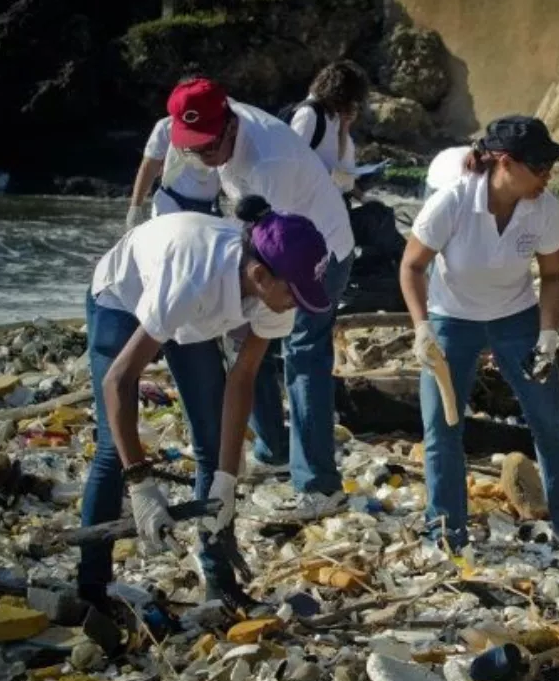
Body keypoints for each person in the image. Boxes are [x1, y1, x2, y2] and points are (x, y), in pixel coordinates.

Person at [79, 195, 330, 610]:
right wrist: (141, 483)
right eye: (295, 293)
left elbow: (242, 378)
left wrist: (227, 480)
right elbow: (118, 381)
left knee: (212, 446)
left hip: (193, 315)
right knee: (112, 448)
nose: (297, 304)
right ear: (260, 275)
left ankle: (219, 580)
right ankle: (92, 588)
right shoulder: (192, 276)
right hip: (124, 294)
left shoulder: (278, 292)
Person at [399, 115, 559, 550]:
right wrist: (422, 328)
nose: (547, 175)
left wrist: (547, 335)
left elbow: (554, 276)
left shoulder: (545, 208)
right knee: (442, 427)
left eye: (549, 166)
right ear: (504, 162)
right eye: (539, 166)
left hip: (516, 318)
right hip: (452, 319)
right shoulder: (454, 201)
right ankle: (446, 531)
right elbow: (411, 265)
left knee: (549, 420)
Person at [165, 77, 355, 510]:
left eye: (210, 147)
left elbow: (270, 248)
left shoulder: (268, 163)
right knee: (249, 345)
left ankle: (319, 487)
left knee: (303, 356)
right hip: (271, 245)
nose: (203, 156)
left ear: (230, 125)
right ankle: (272, 449)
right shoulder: (210, 116)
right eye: (193, 147)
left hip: (317, 252)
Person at [291, 60, 405, 279]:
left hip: (334, 207)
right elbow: (292, 165)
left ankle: (398, 273)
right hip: (315, 217)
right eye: (352, 99)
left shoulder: (333, 118)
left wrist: (344, 129)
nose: (354, 106)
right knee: (379, 223)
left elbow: (341, 166)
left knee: (380, 215)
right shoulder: (309, 116)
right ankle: (409, 272)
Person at [125, 79, 222, 229]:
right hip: (171, 201)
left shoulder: (223, 130)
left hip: (209, 205)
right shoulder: (165, 127)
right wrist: (135, 207)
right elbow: (149, 167)